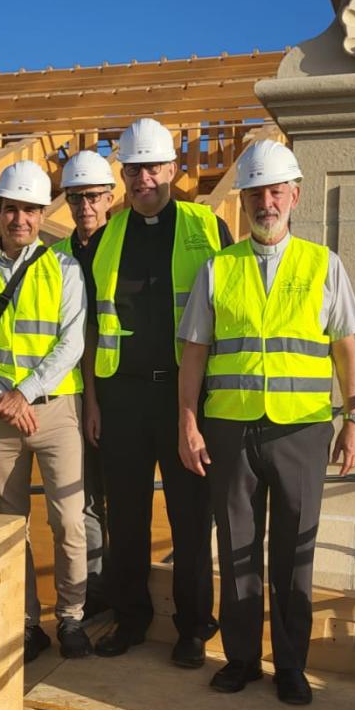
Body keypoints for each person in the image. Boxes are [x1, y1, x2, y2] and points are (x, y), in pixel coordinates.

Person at [178, 139, 355, 705]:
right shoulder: (218, 269)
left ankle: (290, 666)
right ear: (242, 202)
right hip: (230, 429)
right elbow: (194, 354)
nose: (266, 203)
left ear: (294, 196)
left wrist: (354, 418)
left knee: (294, 552)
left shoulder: (324, 265)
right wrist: (188, 422)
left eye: (276, 192)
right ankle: (240, 659)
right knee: (236, 546)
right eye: (255, 194)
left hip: (301, 431)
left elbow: (346, 349)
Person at [83, 118, 231, 664]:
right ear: (122, 175)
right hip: (121, 398)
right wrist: (93, 401)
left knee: (191, 518)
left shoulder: (207, 227)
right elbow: (91, 327)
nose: (143, 178)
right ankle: (130, 619)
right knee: (125, 517)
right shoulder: (106, 237)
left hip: (182, 398)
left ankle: (193, 628)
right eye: (133, 169)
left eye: (152, 167)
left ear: (172, 168)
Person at [0, 160, 90, 662]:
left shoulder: (65, 269)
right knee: (10, 525)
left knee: (69, 521)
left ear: (42, 215)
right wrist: (5, 397)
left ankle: (71, 617)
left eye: (30, 210)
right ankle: (27, 622)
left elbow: (72, 343)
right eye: (12, 209)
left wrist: (25, 392)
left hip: (54, 411)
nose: (20, 220)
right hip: (0, 415)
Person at [55, 150, 116, 614]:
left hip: (124, 387)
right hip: (77, 391)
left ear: (110, 197)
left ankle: (122, 589)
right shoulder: (58, 256)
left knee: (125, 499)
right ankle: (95, 590)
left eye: (93, 196)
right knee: (87, 498)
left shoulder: (123, 245)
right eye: (76, 198)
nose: (84, 207)